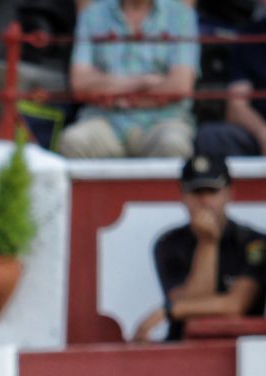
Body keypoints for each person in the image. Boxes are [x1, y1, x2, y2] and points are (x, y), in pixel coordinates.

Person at [132, 153, 266, 341]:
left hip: (243, 353)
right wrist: (207, 242)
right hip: (184, 349)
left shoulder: (254, 243)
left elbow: (236, 306)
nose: (204, 201)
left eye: (212, 191)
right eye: (196, 192)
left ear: (230, 193)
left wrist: (170, 310)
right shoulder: (168, 244)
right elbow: (193, 311)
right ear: (182, 196)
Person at [59, 0, 199, 159]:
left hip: (164, 120)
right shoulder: (92, 13)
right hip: (104, 120)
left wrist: (118, 97)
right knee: (73, 141)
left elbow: (180, 86)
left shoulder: (181, 15)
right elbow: (80, 84)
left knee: (173, 144)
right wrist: (142, 82)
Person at [194, 2, 266, 157]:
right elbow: (236, 107)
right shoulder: (248, 38)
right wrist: (263, 134)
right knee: (211, 137)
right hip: (257, 132)